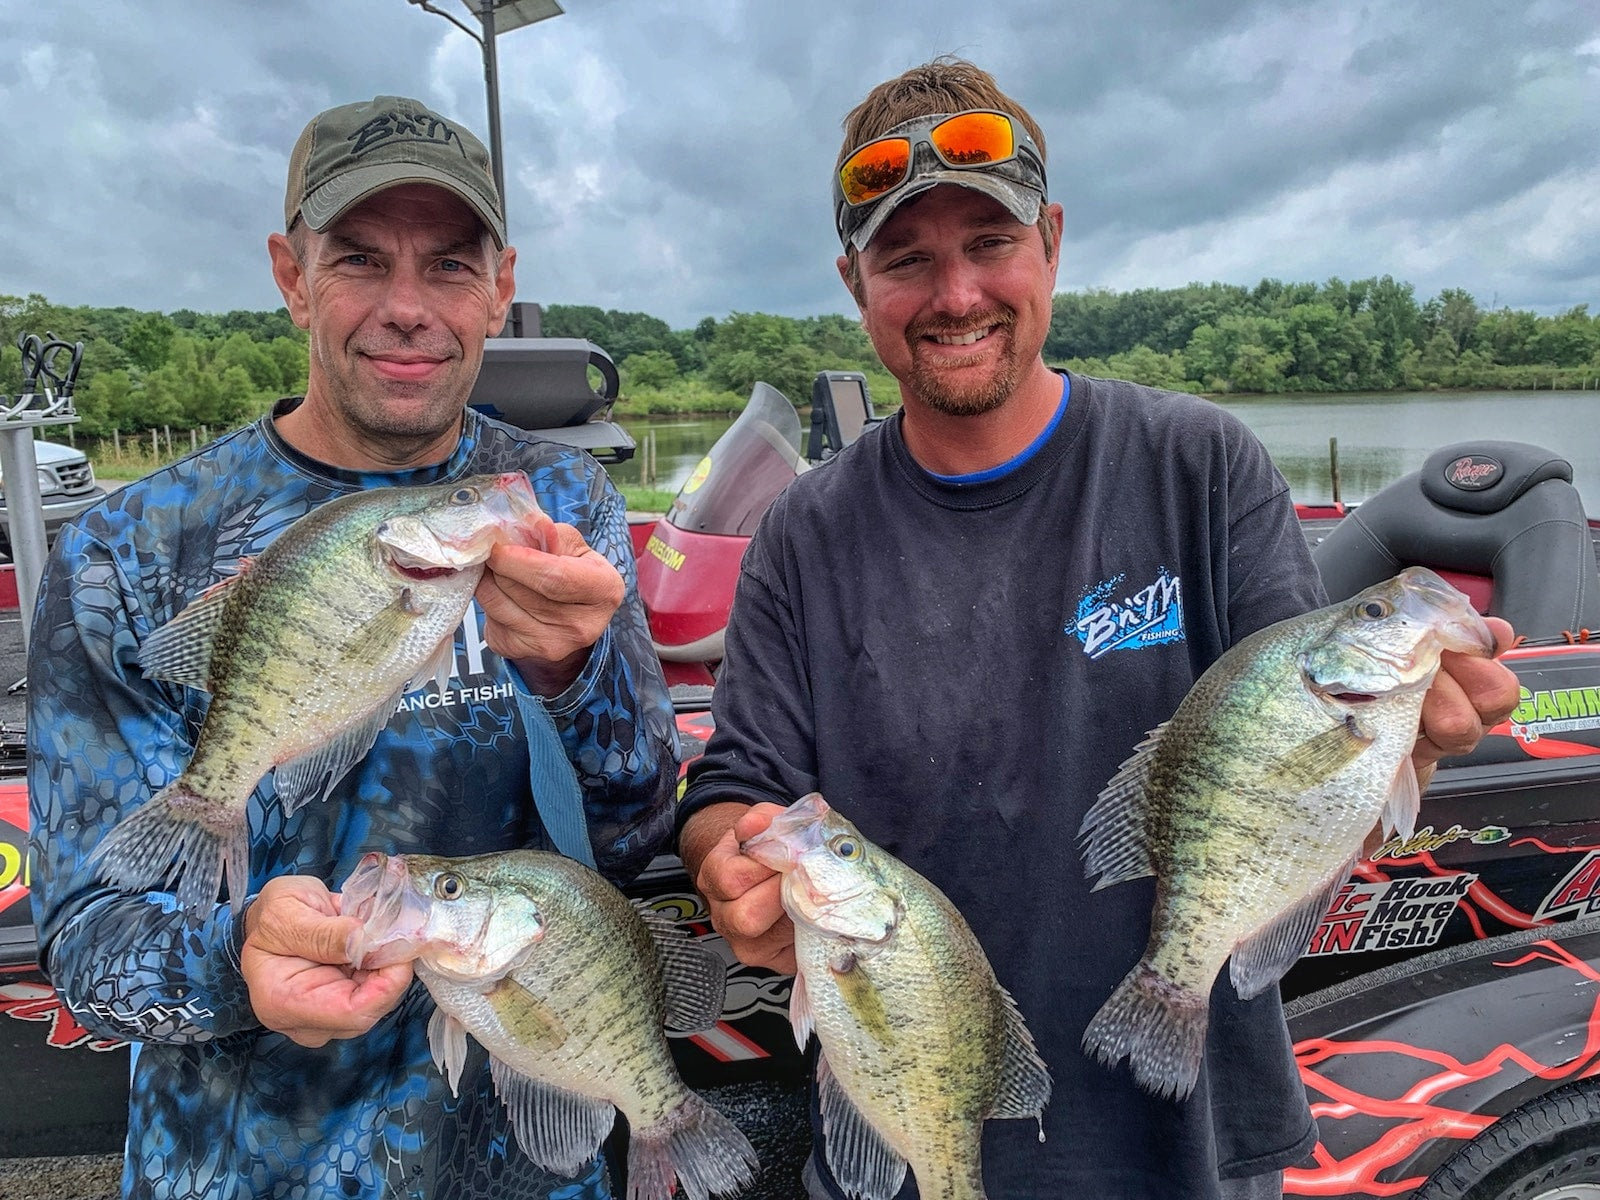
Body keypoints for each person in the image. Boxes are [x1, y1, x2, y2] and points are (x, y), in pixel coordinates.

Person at [676, 59, 1522, 1199]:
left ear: (1053, 242)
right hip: (911, 1104)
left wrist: (1399, 746)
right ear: (853, 279)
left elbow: (1287, 754)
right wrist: (729, 858)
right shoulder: (803, 534)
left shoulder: (1199, 465)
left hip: (1189, 1135)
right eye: (907, 257)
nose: (956, 293)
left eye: (990, 241)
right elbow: (738, 780)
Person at [27, 95, 679, 1200]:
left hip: (520, 1157)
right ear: (291, 275)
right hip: (245, 1168)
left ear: (501, 285)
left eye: (451, 267)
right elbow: (88, 953)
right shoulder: (129, 549)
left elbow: (633, 837)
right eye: (362, 261)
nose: (408, 309)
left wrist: (576, 677)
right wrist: (236, 962)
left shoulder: (558, 502)